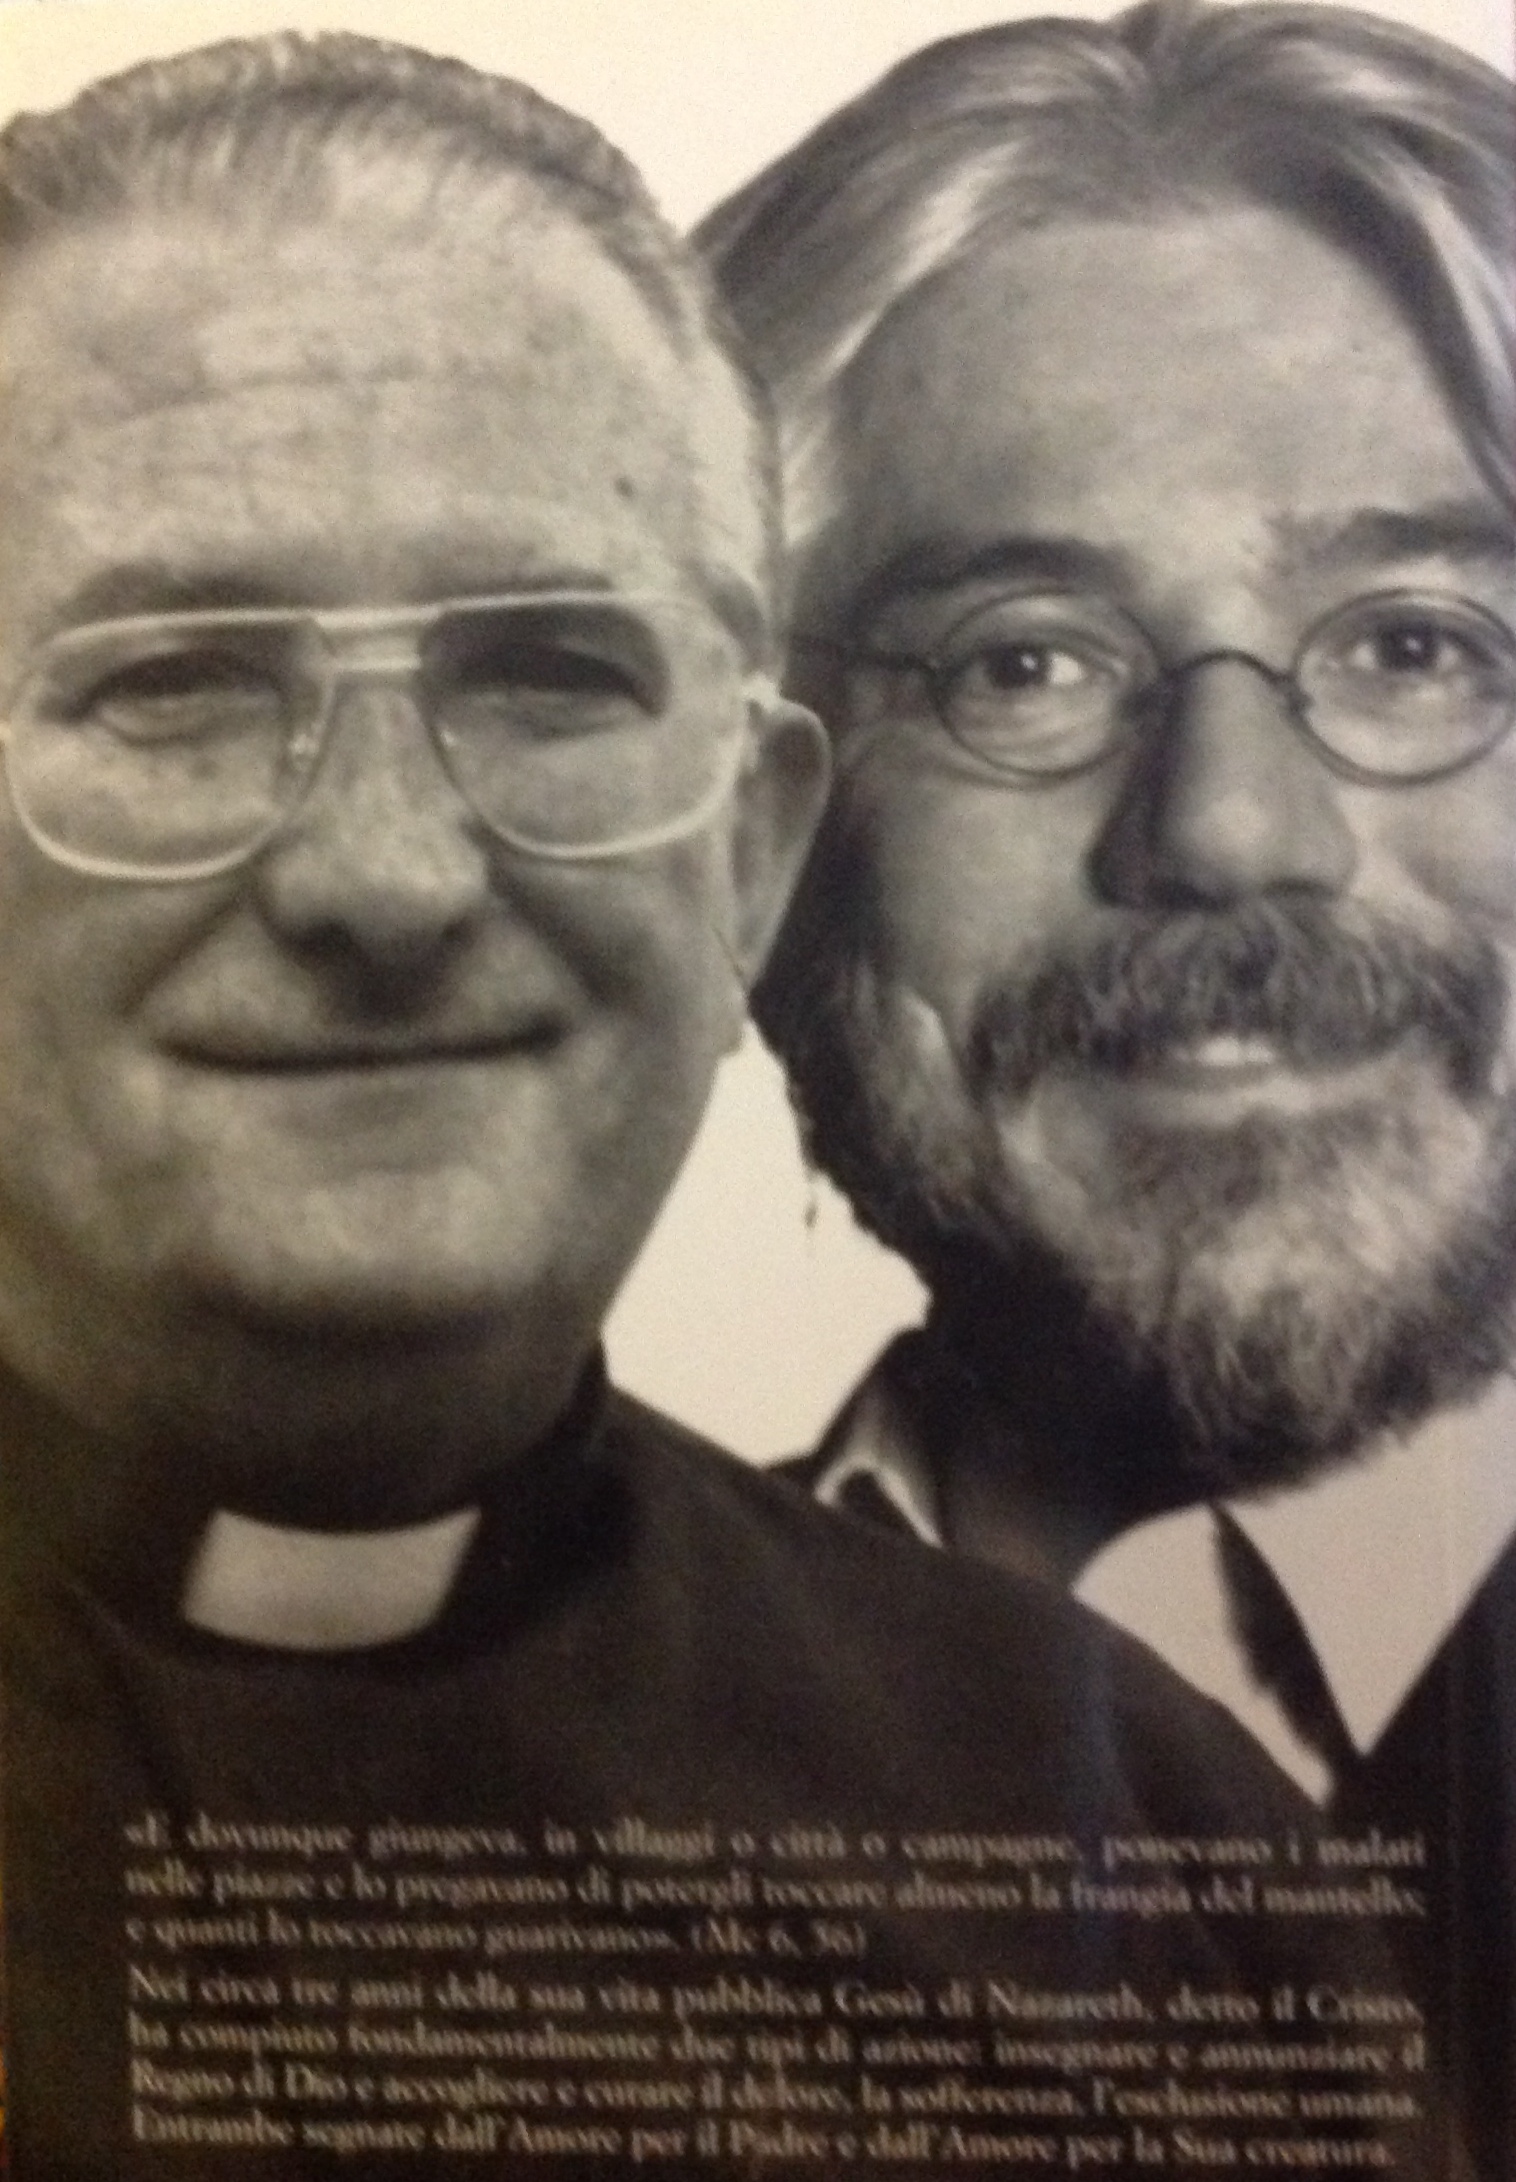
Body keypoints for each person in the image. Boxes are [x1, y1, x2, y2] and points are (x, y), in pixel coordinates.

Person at [0, 30, 1409, 2181]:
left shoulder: (1141, 1833)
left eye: (547, 677)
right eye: (172, 682)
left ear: (753, 849)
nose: (385, 877)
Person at [702, 3, 1514, 2173]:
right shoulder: (468, 1731)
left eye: (1416, 642)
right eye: (1024, 663)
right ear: (756, 818)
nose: (1231, 829)